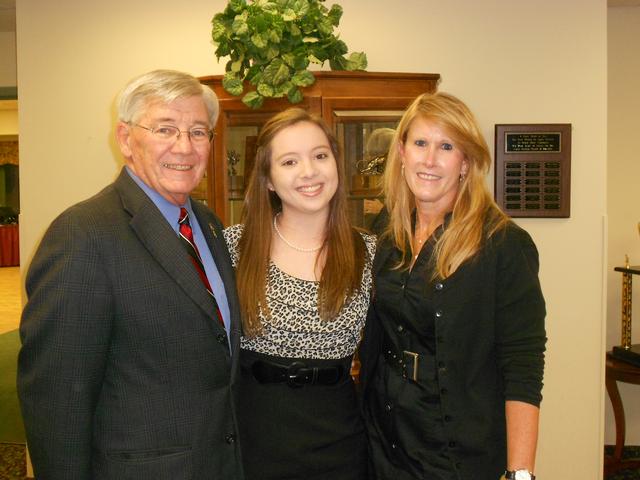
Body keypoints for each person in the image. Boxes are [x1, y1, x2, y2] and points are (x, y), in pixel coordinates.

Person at [17, 69, 243, 480]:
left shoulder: (207, 224)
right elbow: (57, 399)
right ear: (125, 139)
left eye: (198, 131)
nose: (185, 146)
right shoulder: (83, 234)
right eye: (165, 129)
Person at [359, 92, 547, 480]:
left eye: (446, 146)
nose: (429, 160)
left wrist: (521, 473)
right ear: (402, 151)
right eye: (420, 143)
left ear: (465, 162)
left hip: (456, 452)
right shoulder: (388, 233)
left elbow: (523, 366)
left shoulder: (503, 245)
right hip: (384, 440)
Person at [222, 108, 375, 480]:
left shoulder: (368, 252)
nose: (309, 171)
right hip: (253, 436)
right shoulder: (233, 248)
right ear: (269, 180)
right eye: (290, 161)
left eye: (320, 156)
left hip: (339, 440)